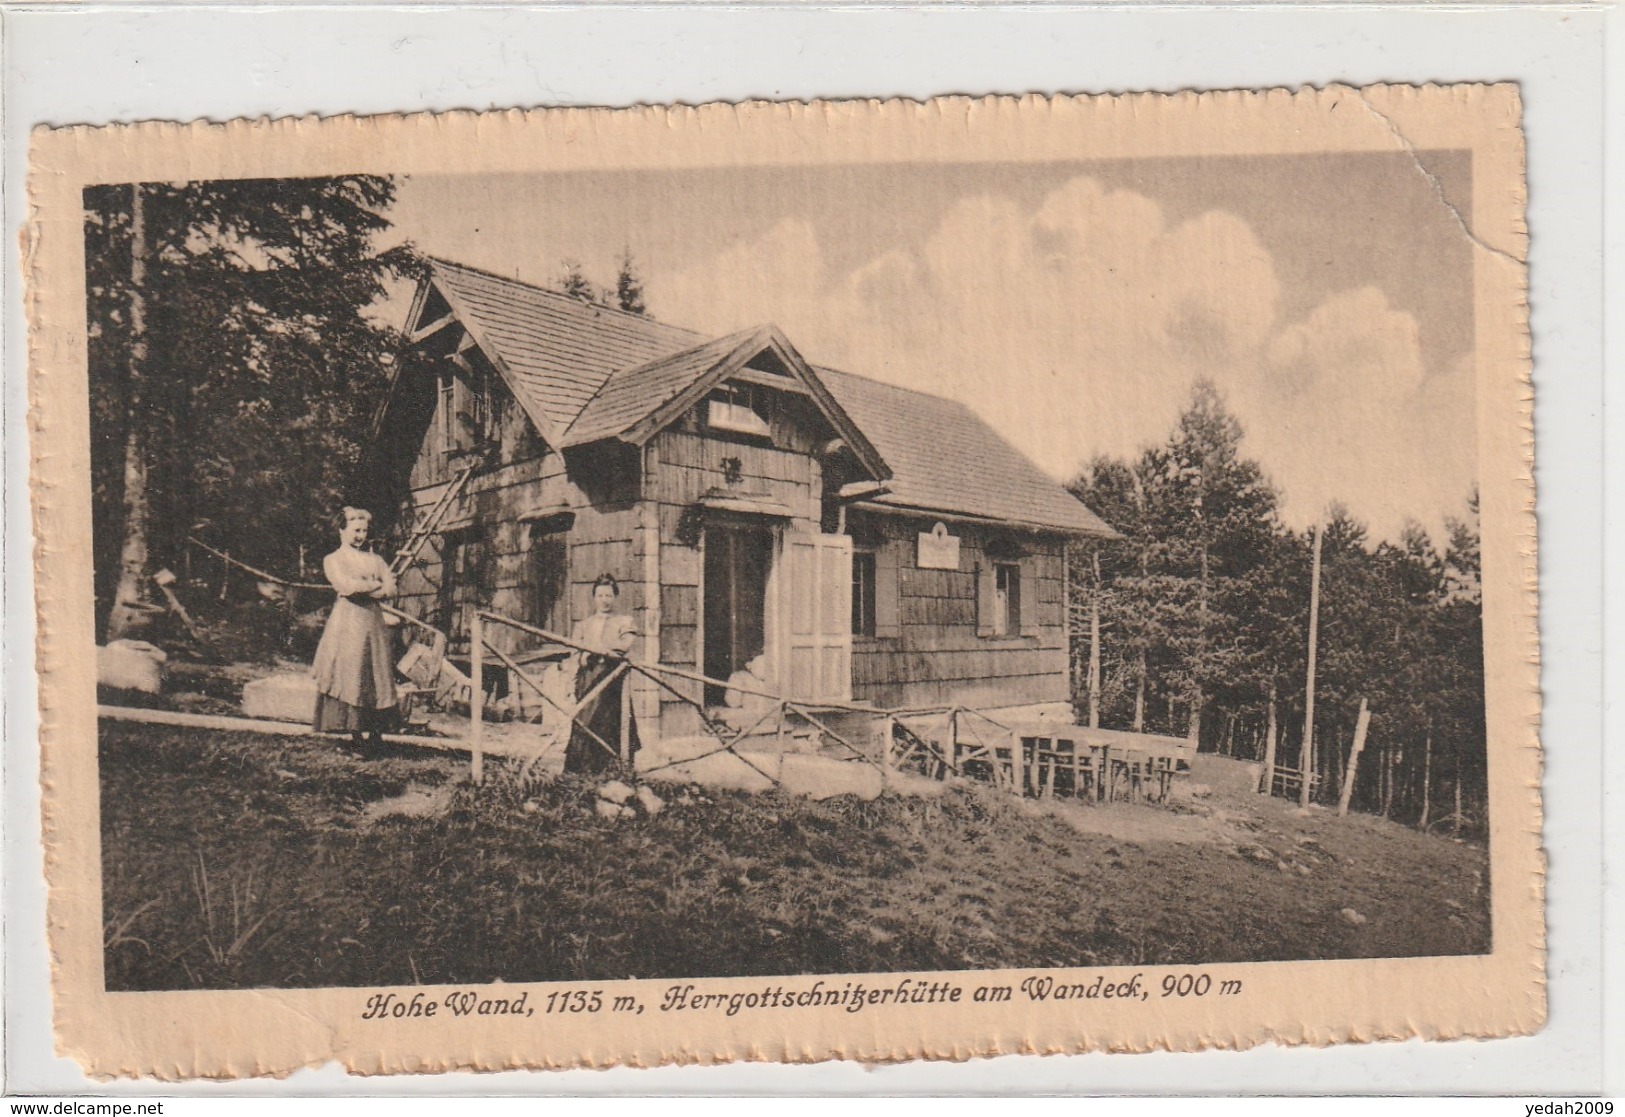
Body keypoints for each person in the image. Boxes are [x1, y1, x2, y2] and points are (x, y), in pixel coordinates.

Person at [312, 507, 399, 750]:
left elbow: (391, 588)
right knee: (351, 671)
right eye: (355, 530)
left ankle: (376, 734)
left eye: (364, 530)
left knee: (376, 673)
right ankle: (354, 733)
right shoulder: (333, 559)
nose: (360, 535)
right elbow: (345, 585)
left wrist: (372, 587)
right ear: (342, 530)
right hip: (347, 622)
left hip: (373, 622)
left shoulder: (376, 560)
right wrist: (374, 585)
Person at [565, 574, 639, 775]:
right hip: (587, 677)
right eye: (600, 595)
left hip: (611, 678)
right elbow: (575, 653)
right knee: (585, 719)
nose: (604, 600)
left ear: (615, 597)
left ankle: (613, 769)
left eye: (608, 595)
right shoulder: (583, 624)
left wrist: (599, 648)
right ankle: (583, 771)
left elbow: (625, 644)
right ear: (594, 598)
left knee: (609, 720)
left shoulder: (624, 621)